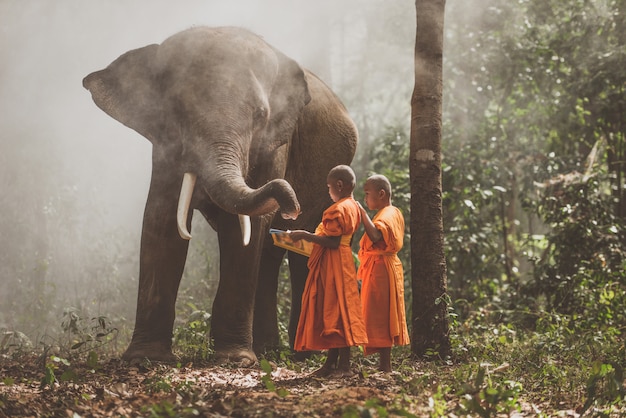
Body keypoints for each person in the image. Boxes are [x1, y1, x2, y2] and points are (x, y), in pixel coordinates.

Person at [290, 165, 368, 377]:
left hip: (335, 261)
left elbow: (332, 242)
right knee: (336, 310)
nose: (328, 191)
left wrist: (305, 235)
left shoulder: (337, 209)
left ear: (339, 186)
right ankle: (331, 362)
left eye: (329, 187)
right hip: (342, 260)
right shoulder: (353, 206)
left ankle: (343, 365)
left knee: (338, 310)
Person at [356, 174, 410, 372]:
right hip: (380, 267)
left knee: (382, 315)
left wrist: (362, 213)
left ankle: (385, 365)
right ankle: (383, 364)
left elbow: (377, 235)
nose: (365, 199)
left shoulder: (388, 213)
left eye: (367, 194)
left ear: (381, 194)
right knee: (377, 314)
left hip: (382, 270)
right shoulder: (389, 212)